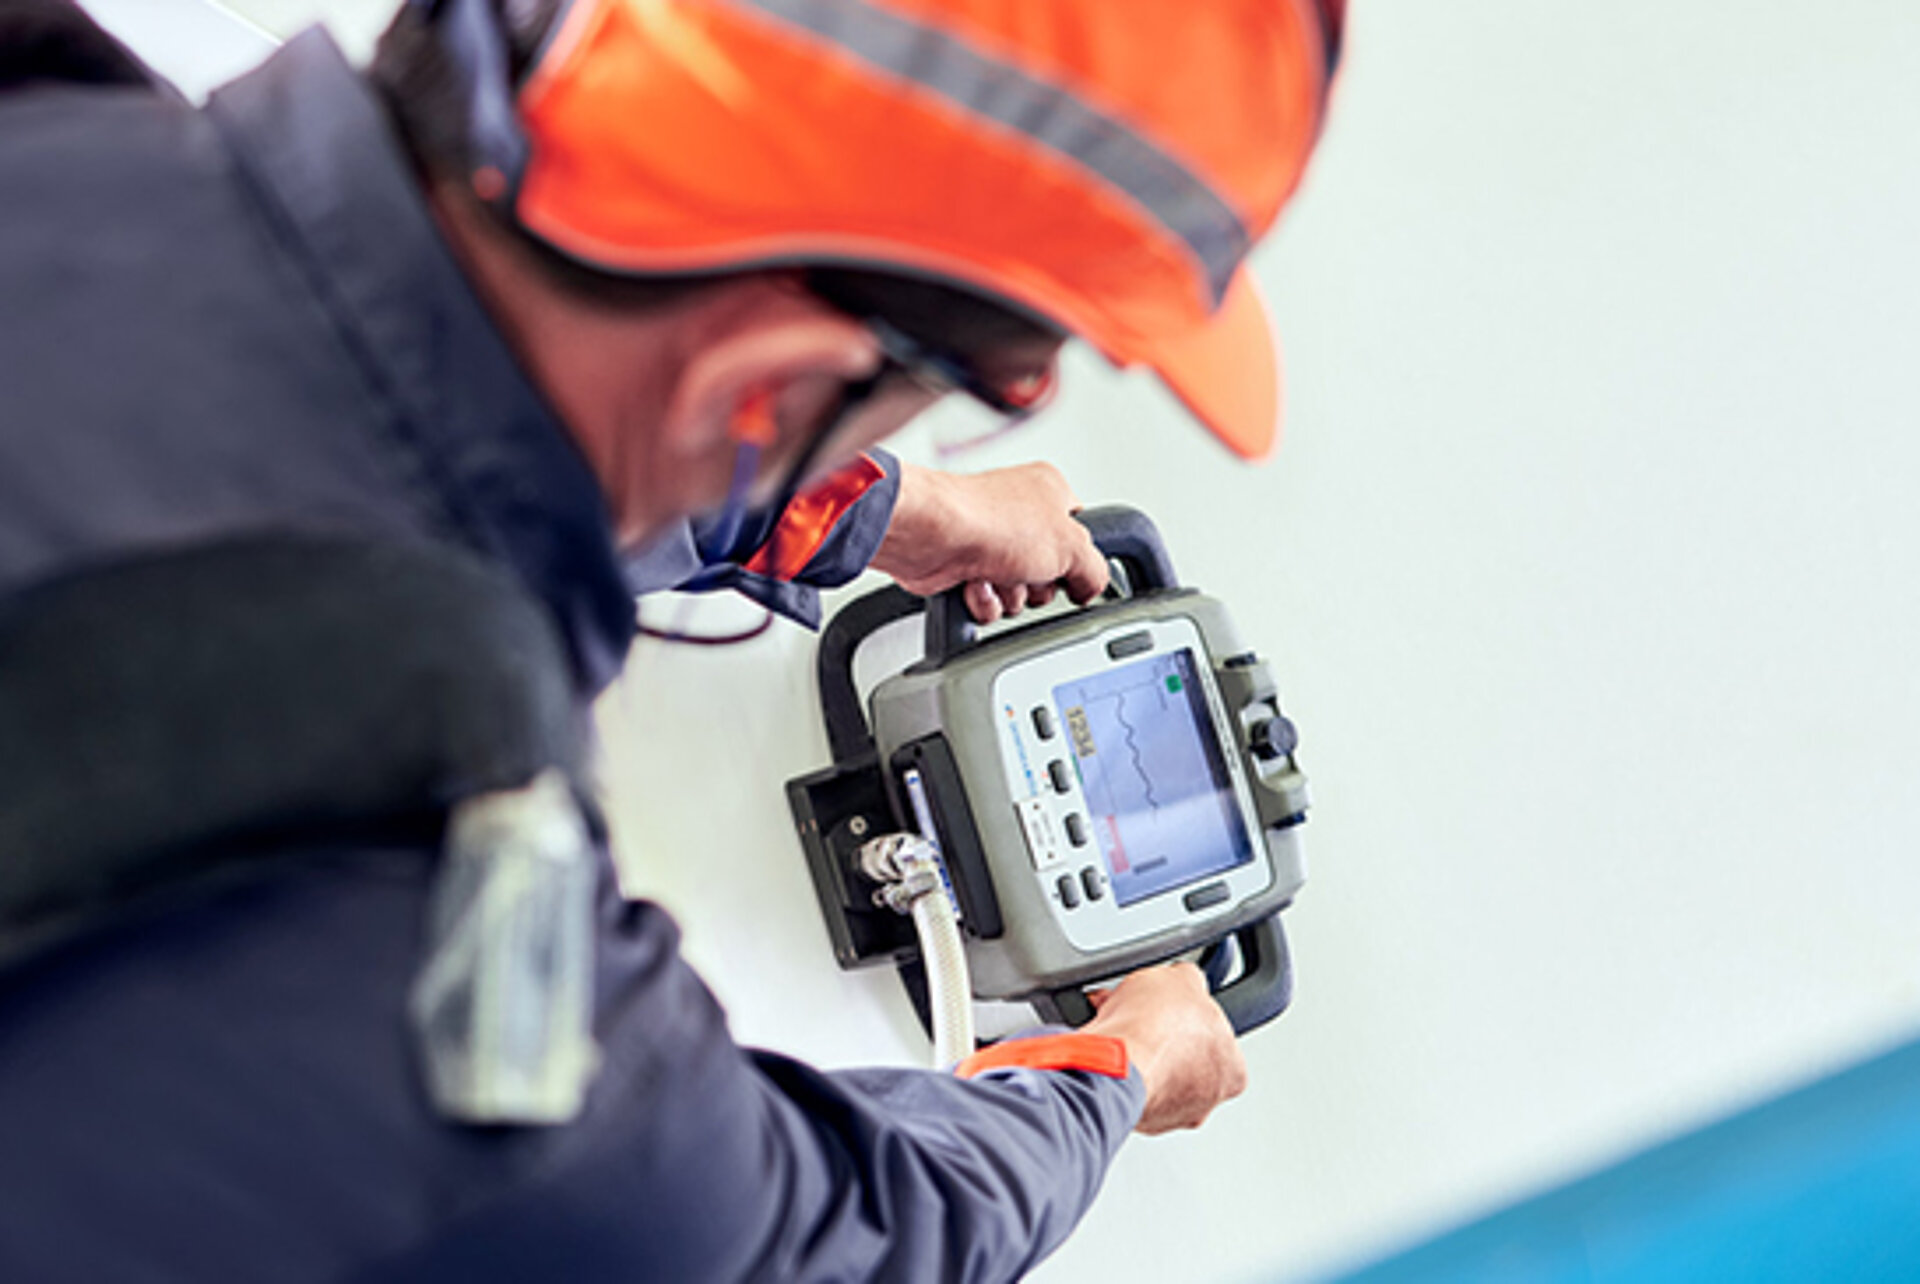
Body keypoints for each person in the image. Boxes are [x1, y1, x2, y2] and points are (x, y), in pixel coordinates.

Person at [0, 0, 1343, 1278]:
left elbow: (413, 377)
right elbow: (822, 1238)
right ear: (759, 387)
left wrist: (860, 507)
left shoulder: (49, 94)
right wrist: (1123, 1068)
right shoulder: (452, 921)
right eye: (976, 390)